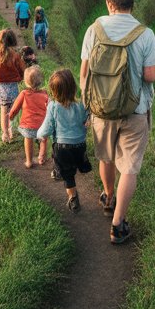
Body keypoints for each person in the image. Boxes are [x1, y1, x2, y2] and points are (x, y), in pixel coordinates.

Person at [80, 0, 155, 245]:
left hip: (101, 108)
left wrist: (89, 103)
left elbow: (84, 71)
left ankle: (108, 196)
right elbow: (150, 76)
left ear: (109, 4)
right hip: (135, 109)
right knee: (129, 167)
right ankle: (118, 225)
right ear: (132, 6)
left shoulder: (94, 30)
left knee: (106, 156)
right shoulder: (145, 34)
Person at [37, 68, 91, 211]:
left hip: (62, 148)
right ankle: (76, 165)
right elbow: (87, 118)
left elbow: (47, 128)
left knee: (68, 175)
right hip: (80, 145)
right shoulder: (81, 105)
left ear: (53, 91)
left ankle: (73, 197)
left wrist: (39, 134)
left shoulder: (53, 107)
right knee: (75, 162)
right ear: (73, 87)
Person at [8, 65, 50, 168]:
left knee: (28, 139)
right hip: (42, 125)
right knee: (43, 140)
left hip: (28, 125)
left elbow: (15, 107)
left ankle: (29, 161)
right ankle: (41, 158)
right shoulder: (45, 94)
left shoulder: (24, 94)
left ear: (26, 82)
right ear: (40, 81)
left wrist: (11, 116)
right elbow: (49, 108)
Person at [0, 28, 24, 144]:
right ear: (13, 40)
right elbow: (22, 70)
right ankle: (12, 131)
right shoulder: (15, 55)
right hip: (12, 85)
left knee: (4, 109)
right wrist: (20, 78)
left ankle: (5, 134)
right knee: (13, 109)